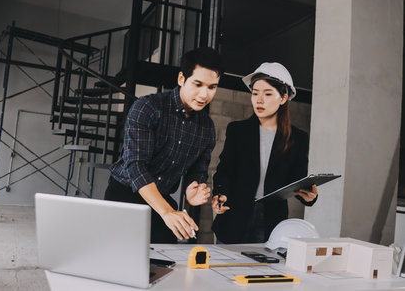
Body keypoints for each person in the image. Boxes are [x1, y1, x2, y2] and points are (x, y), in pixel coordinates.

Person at [105, 47, 224, 244]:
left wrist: (191, 189)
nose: (204, 95)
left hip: (163, 199)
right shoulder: (147, 107)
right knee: (117, 259)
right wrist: (167, 211)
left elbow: (197, 171)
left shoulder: (207, 128)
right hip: (124, 195)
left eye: (212, 87)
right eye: (198, 84)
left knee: (165, 263)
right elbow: (135, 165)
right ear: (181, 79)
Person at [211, 62, 318, 244]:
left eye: (268, 94)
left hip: (271, 222)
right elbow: (225, 170)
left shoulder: (298, 138)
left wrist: (310, 196)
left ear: (283, 98)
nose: (259, 100)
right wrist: (220, 195)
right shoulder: (237, 130)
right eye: (255, 93)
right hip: (235, 217)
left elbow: (297, 179)